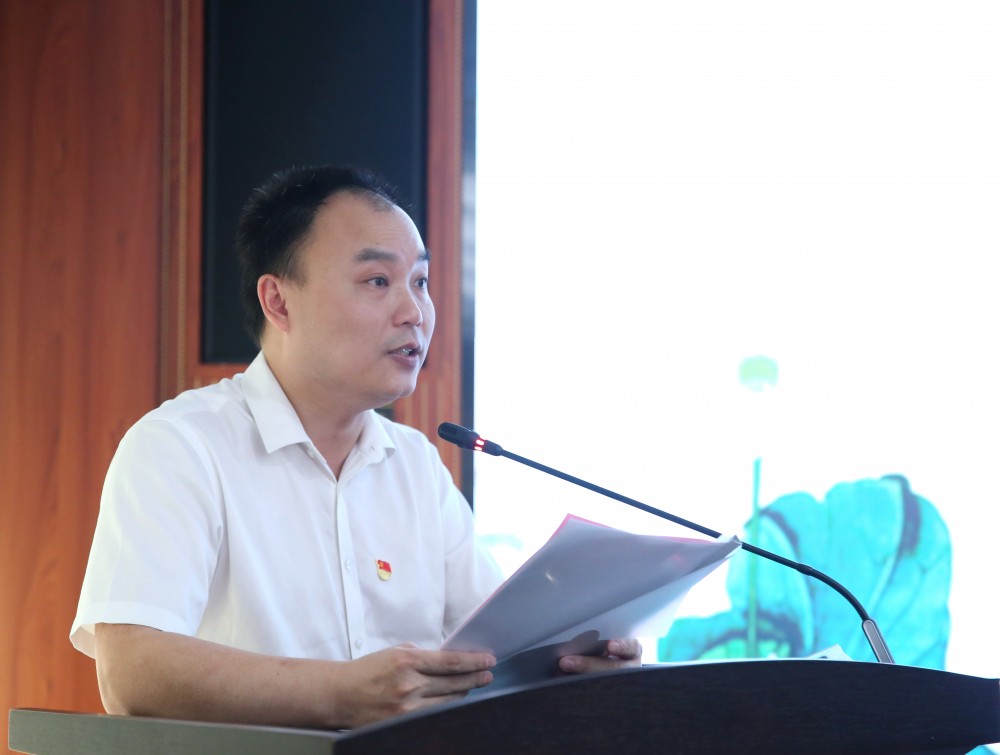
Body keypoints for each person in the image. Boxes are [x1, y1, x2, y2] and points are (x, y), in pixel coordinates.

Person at [70, 165, 641, 729]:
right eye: (378, 281)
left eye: (420, 281)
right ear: (279, 302)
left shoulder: (416, 465)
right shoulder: (181, 446)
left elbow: (498, 649)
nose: (414, 312)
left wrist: (571, 662)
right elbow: (131, 674)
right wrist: (340, 694)